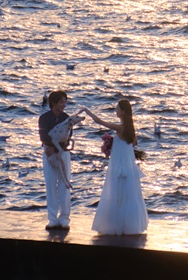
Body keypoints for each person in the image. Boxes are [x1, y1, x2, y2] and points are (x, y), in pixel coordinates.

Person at [82, 97, 148, 235]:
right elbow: (134, 143)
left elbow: (100, 122)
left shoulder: (121, 127)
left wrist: (87, 111)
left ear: (122, 112)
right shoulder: (129, 128)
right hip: (128, 167)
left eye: (117, 109)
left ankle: (117, 225)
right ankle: (128, 225)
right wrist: (117, 144)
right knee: (128, 196)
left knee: (117, 195)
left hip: (120, 167)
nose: (116, 111)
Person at [39, 90, 84, 230]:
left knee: (65, 184)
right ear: (53, 103)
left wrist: (61, 146)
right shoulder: (44, 118)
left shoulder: (67, 118)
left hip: (63, 152)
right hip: (49, 153)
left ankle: (64, 218)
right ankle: (52, 219)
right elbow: (43, 135)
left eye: (65, 102)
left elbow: (69, 136)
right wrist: (50, 148)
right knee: (51, 184)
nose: (64, 105)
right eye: (61, 102)